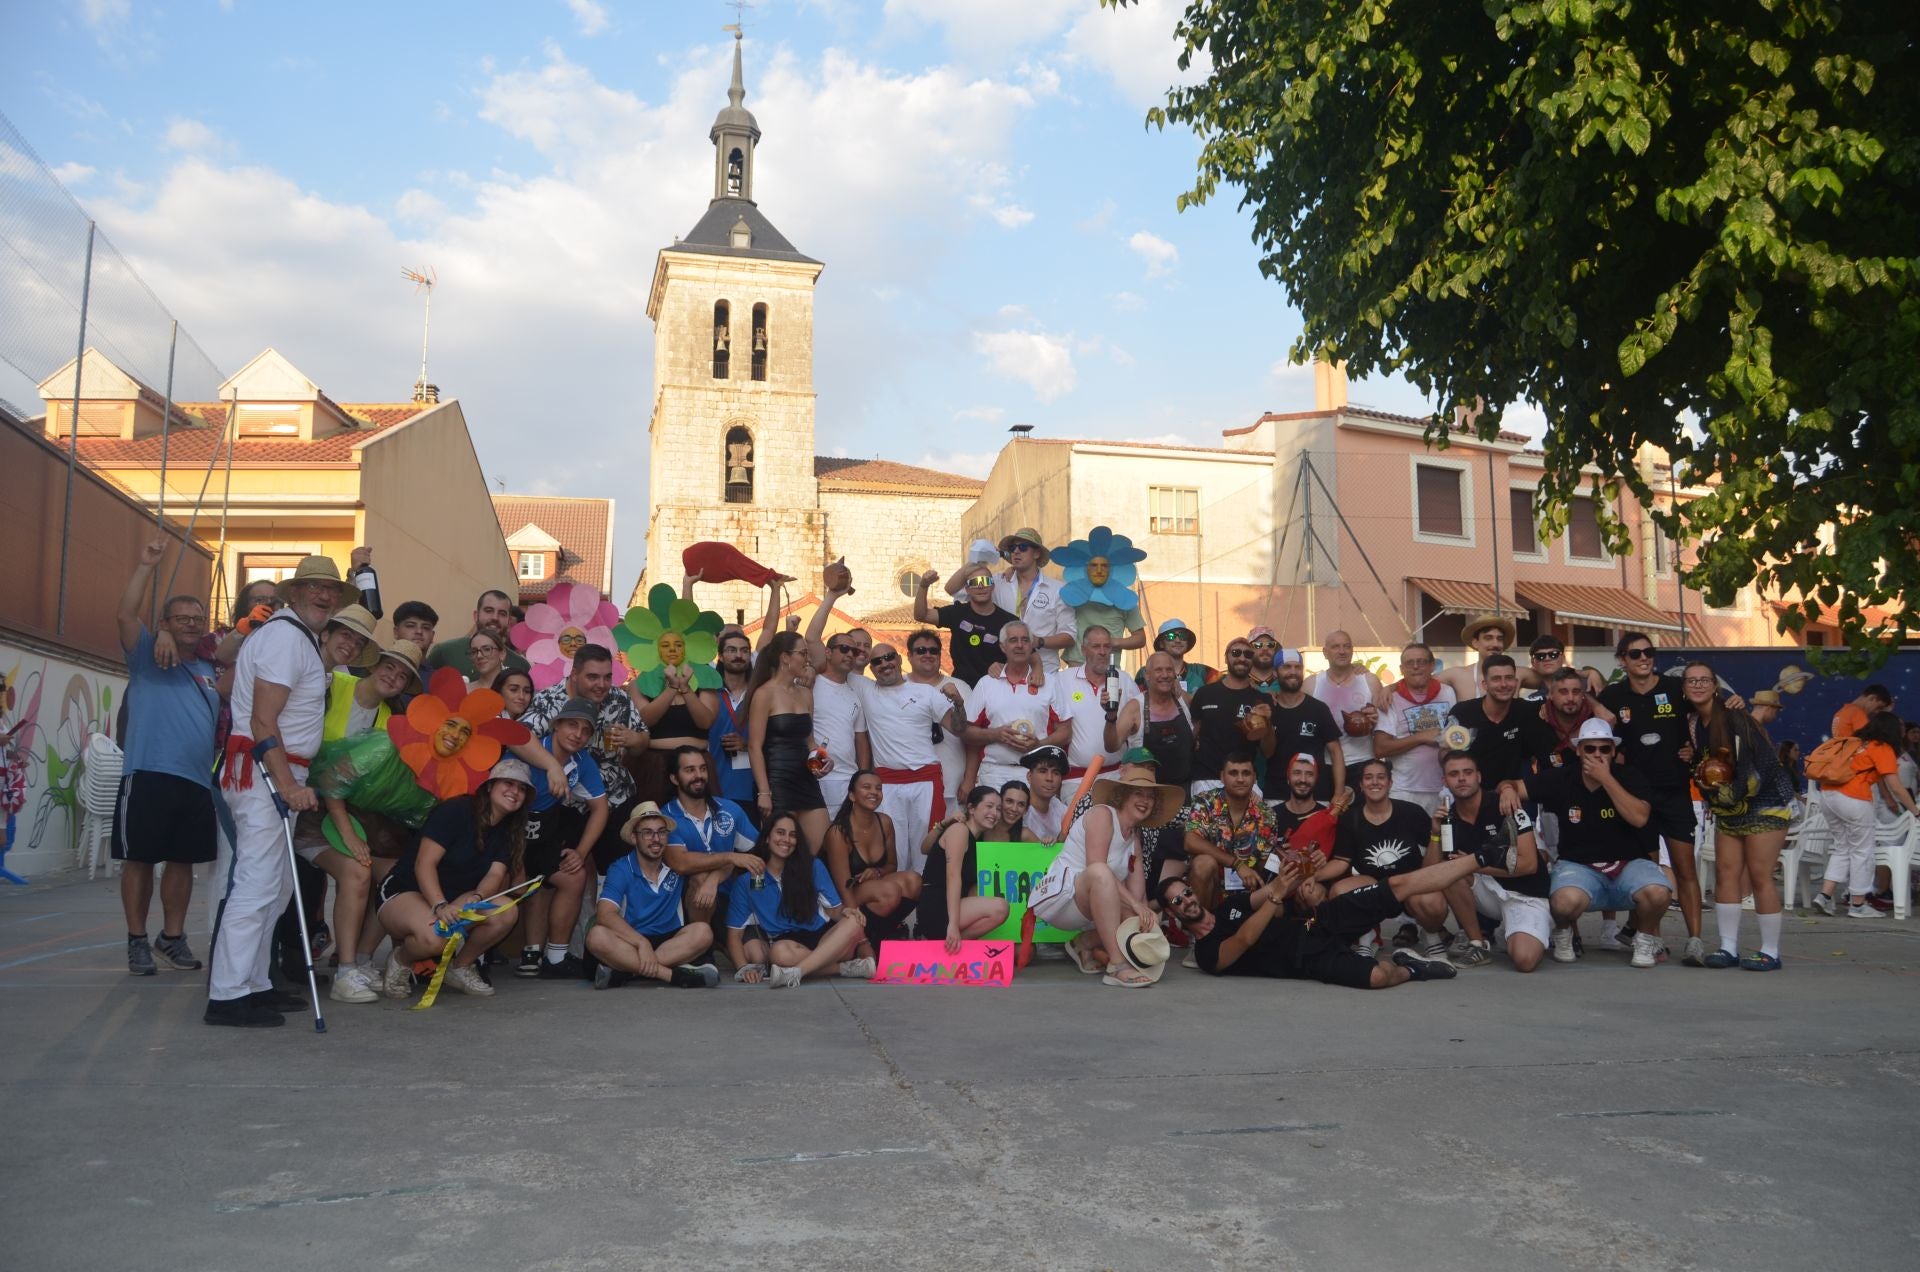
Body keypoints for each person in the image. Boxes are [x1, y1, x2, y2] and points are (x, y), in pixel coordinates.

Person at [206, 555, 344, 1027]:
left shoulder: (294, 637)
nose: (324, 596)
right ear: (294, 593)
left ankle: (254, 984)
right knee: (257, 883)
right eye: (315, 588)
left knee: (277, 884)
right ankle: (226, 995)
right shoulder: (286, 637)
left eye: (331, 590)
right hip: (267, 771)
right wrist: (286, 784)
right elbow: (264, 720)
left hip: (277, 771)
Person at [113, 538, 219, 978]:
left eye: (198, 619)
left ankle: (171, 938)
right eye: (182, 619)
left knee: (182, 863)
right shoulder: (147, 656)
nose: (191, 625)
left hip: (196, 781)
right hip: (148, 774)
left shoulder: (212, 668)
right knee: (139, 859)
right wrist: (145, 565)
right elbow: (124, 614)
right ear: (165, 622)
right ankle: (137, 940)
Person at [303, 636, 422, 1003]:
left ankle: (363, 961)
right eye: (389, 666)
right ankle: (345, 971)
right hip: (305, 808)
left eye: (402, 676)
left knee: (392, 876)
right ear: (374, 665)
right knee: (357, 872)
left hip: (350, 812)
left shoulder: (392, 723)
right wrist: (350, 835)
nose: (393, 677)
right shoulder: (332, 685)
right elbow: (329, 778)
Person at [1500, 719, 1669, 970]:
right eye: (1590, 749)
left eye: (1604, 749)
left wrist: (1606, 779)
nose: (1597, 755)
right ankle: (1566, 933)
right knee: (1562, 901)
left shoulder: (1630, 775)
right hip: (1579, 867)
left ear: (1613, 751)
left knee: (1660, 892)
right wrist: (1507, 790)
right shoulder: (1562, 777)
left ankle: (1643, 939)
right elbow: (1513, 784)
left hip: (1628, 864)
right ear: (1578, 751)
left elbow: (1639, 817)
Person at [1169, 853, 1479, 987]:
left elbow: (1270, 892)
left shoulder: (1229, 906)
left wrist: (1293, 875)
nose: (1187, 900)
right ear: (1173, 913)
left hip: (1318, 923)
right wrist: (1275, 898)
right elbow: (1244, 939)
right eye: (1177, 901)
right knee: (1378, 978)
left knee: (1396, 885)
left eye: (1186, 892)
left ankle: (1483, 857)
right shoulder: (1207, 953)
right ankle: (1411, 968)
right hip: (1307, 960)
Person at [374, 758, 534, 1001]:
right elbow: (424, 863)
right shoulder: (457, 810)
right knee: (435, 937)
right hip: (406, 890)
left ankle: (460, 966)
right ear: (490, 786)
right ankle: (400, 960)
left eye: (522, 788)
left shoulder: (509, 830)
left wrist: (478, 899)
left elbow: (495, 875)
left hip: (455, 897)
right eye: (509, 783)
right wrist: (439, 905)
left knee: (505, 912)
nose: (515, 792)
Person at [1598, 632, 1714, 966]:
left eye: (1648, 652)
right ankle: (1653, 939)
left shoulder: (1675, 688)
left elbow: (1708, 714)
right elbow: (1587, 709)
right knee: (1650, 873)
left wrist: (1696, 751)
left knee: (1685, 868)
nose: (1643, 659)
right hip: (1637, 798)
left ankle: (1694, 941)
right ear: (1622, 660)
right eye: (1635, 654)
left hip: (1675, 792)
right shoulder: (1613, 694)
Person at [1027, 761, 1182, 988]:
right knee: (1100, 871)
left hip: (1093, 904)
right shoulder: (1102, 815)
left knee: (1146, 917)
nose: (1145, 801)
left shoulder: (1134, 838)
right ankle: (1116, 966)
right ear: (1122, 796)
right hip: (1063, 900)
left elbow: (1137, 897)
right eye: (1137, 793)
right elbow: (1096, 865)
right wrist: (1136, 907)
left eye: (1150, 796)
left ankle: (1083, 944)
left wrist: (1144, 918)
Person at [726, 811, 874, 987]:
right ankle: (845, 968)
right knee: (779, 953)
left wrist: (846, 912)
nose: (786, 840)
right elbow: (734, 934)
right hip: (788, 945)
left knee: (853, 920)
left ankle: (796, 972)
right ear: (766, 838)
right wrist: (743, 968)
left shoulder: (812, 866)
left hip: (824, 939)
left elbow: (833, 910)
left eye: (793, 835)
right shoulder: (748, 881)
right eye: (780, 833)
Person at [515, 696, 608, 979]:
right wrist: (514, 864)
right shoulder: (532, 748)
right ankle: (477, 958)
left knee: (573, 875)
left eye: (585, 730)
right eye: (571, 725)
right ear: (556, 725)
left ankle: (554, 958)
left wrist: (580, 851)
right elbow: (512, 737)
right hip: (507, 840)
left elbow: (601, 809)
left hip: (541, 838)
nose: (578, 735)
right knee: (508, 882)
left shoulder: (582, 762)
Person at [1325, 757, 1453, 959]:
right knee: (1340, 892)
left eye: (1380, 777)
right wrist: (1312, 876)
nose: (1374, 782)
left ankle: (1431, 935)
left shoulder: (1411, 812)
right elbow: (1341, 862)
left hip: (1411, 885)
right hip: (1375, 887)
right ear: (1361, 785)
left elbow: (1433, 867)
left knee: (1435, 902)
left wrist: (1435, 834)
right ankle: (1366, 938)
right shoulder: (1350, 818)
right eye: (1368, 778)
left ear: (1390, 783)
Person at [587, 802, 722, 989]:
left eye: (661, 832)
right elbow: (605, 914)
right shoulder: (621, 868)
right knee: (596, 936)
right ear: (634, 838)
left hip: (669, 942)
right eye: (647, 833)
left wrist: (712, 880)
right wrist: (641, 943)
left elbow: (725, 863)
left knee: (703, 932)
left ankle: (625, 971)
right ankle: (672, 975)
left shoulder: (676, 864)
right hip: (631, 940)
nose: (656, 839)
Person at [1438, 750, 1549, 972]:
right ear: (1445, 781)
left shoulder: (1505, 805)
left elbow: (1529, 865)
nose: (1461, 778)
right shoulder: (1448, 818)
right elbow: (1434, 871)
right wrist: (1434, 834)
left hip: (1525, 895)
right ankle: (1478, 944)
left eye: (1467, 772)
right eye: (1454, 774)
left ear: (1478, 777)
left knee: (1525, 961)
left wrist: (1473, 863)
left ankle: (1521, 928)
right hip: (1488, 891)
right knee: (1449, 872)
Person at [858, 641, 965, 865]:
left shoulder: (925, 692)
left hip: (924, 779)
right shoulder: (866, 689)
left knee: (926, 849)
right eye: (877, 661)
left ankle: (924, 898)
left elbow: (958, 728)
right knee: (892, 852)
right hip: (888, 782)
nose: (884, 664)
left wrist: (958, 703)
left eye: (889, 657)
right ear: (871, 668)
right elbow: (824, 661)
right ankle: (899, 898)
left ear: (899, 659)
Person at [1811, 712, 1918, 922]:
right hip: (1854, 798)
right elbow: (1895, 786)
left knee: (1843, 846)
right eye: (1900, 728)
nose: (1902, 731)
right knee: (1863, 851)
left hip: (1828, 795)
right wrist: (1915, 810)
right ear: (1890, 729)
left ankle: (1824, 895)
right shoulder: (1882, 747)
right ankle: (1858, 904)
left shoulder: (1854, 742)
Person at [658, 744, 762, 945]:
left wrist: (718, 876)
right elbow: (680, 863)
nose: (699, 775)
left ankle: (762, 927)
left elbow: (759, 855)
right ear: (674, 778)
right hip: (687, 903)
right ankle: (701, 951)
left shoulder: (730, 809)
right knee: (699, 878)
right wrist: (730, 856)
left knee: (755, 956)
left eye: (702, 768)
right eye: (690, 770)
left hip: (730, 897)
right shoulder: (666, 816)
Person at [747, 631, 830, 852]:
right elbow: (754, 746)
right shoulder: (764, 694)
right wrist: (764, 792)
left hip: (806, 780)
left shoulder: (805, 693)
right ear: (785, 658)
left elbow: (810, 742)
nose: (808, 659)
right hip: (777, 781)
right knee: (781, 850)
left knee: (819, 847)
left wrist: (824, 760)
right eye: (803, 653)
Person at [820, 769, 920, 943]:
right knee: (890, 892)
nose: (874, 792)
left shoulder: (885, 822)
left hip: (870, 888)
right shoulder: (838, 832)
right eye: (866, 787)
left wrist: (877, 872)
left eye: (878, 788)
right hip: (840, 897)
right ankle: (862, 939)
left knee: (914, 880)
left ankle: (882, 934)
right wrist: (855, 931)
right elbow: (843, 887)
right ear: (852, 795)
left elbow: (891, 866)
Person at [961, 621, 1059, 791]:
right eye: (1013, 640)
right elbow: (967, 733)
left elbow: (1065, 732)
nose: (1019, 645)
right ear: (1002, 646)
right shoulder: (986, 683)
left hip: (1035, 773)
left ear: (1031, 645)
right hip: (994, 773)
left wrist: (1040, 745)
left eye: (1025, 640)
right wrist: (995, 735)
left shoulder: (1050, 682)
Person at [1178, 751, 1278, 908]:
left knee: (1278, 907)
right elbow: (1190, 841)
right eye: (1233, 773)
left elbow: (1265, 862)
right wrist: (1237, 864)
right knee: (1204, 863)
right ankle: (1200, 929)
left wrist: (1287, 867)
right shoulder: (1205, 802)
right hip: (1209, 890)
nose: (1240, 779)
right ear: (1222, 777)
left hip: (1247, 892)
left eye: (1246, 773)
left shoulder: (1266, 814)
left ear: (1254, 778)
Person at [921, 786, 1013, 952]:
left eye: (998, 809)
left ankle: (953, 946)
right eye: (989, 806)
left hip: (953, 905)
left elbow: (927, 848)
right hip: (937, 908)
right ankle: (951, 944)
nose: (994, 813)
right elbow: (953, 876)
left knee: (981, 890)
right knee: (1000, 907)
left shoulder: (978, 841)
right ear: (971, 808)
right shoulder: (959, 830)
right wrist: (953, 925)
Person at [1372, 643, 1457, 815]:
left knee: (1443, 840)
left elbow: (1455, 735)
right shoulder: (1391, 698)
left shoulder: (1447, 692)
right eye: (1410, 663)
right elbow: (1380, 748)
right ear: (1402, 669)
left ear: (1432, 665)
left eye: (1422, 661)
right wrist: (1421, 737)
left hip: (1444, 788)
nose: (1416, 666)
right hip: (1405, 790)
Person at [1449, 654, 1555, 790]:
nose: (1504, 684)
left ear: (1516, 682)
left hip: (1513, 796)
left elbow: (1566, 693)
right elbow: (1447, 757)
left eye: (1509, 678)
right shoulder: (1462, 713)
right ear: (1485, 684)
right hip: (1471, 797)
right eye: (1496, 679)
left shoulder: (1528, 711)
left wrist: (1589, 673)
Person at [1048, 624, 1140, 782]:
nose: (1103, 652)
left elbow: (1138, 727)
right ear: (1084, 650)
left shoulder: (1124, 679)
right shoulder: (1063, 680)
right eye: (1096, 646)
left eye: (1107, 646)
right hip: (1076, 778)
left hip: (1117, 776)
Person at [806, 621, 872, 815]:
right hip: (816, 775)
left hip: (848, 779)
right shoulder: (810, 684)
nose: (850, 654)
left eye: (854, 651)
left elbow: (860, 740)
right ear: (828, 653)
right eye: (844, 649)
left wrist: (863, 777)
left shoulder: (854, 694)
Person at [988, 528, 1074, 672]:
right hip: (1005, 672)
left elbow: (1069, 636)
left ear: (1036, 553)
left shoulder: (1057, 590)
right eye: (1012, 548)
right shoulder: (999, 582)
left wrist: (1039, 641)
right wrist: (980, 559)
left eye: (1022, 547)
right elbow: (956, 591)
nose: (1016, 551)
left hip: (1045, 672)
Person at [1267, 646, 1346, 803]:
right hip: (1277, 795)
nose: (1293, 672)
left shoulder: (1318, 709)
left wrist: (1338, 793)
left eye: (1298, 667)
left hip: (1316, 797)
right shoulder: (1268, 709)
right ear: (1275, 673)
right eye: (1286, 667)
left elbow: (1336, 753)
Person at [1111, 651, 1195, 795]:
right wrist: (1110, 716)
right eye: (1158, 670)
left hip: (1186, 789)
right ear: (1147, 675)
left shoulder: (1184, 700)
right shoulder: (1134, 707)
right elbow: (1112, 745)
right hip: (1146, 792)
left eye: (1169, 670)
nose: (1165, 675)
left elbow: (1202, 723)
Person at [905, 628, 969, 814]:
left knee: (951, 842)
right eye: (921, 650)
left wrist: (969, 779)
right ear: (909, 655)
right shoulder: (897, 687)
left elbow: (972, 736)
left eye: (933, 651)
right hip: (908, 784)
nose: (928, 655)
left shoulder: (960, 687)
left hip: (952, 784)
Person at [916, 566, 1014, 686]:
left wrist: (1006, 667)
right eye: (975, 582)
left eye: (985, 581)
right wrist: (923, 586)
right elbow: (921, 615)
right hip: (961, 688)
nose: (981, 586)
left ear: (992, 586)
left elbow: (1028, 656)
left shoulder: (1009, 622)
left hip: (995, 688)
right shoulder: (957, 612)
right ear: (967, 589)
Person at [1309, 631, 1382, 767]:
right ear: (1325, 652)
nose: (1342, 651)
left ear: (1352, 650)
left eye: (1346, 646)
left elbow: (1384, 725)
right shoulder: (1311, 684)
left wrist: (1375, 720)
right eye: (1335, 647)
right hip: (1325, 763)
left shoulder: (1370, 680)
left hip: (1363, 761)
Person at [707, 627, 758, 813]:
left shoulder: (759, 694)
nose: (739, 655)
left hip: (752, 790)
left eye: (744, 651)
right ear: (720, 656)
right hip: (714, 786)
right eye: (732, 650)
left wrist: (747, 744)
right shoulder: (708, 692)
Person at [425, 589, 527, 678]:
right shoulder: (445, 652)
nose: (495, 617)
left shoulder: (520, 665)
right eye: (488, 610)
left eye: (502, 614)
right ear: (476, 615)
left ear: (509, 621)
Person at [1136, 618, 1214, 695]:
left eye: (1182, 636)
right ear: (1161, 643)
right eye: (1171, 636)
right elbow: (1136, 700)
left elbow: (1225, 684)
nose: (1178, 640)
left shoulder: (1201, 671)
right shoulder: (1145, 672)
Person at [1021, 744, 1069, 843]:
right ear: (1029, 777)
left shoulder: (1061, 809)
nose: (1049, 778)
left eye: (1056, 773)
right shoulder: (1019, 809)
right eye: (1042, 771)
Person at [1245, 627, 1283, 695]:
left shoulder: (1285, 682)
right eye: (1258, 645)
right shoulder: (1239, 682)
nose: (1265, 648)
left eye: (1270, 644)